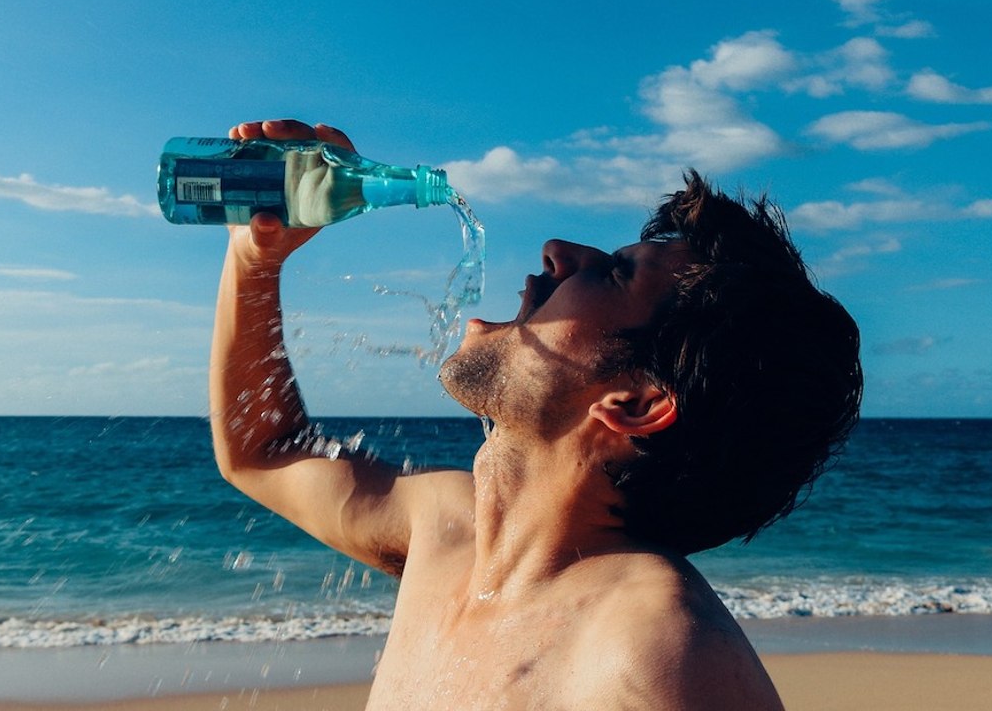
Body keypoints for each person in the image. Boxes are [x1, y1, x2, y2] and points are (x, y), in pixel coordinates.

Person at [210, 119, 862, 710]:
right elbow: (262, 450)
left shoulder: (659, 655)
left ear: (636, 403)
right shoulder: (445, 529)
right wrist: (254, 257)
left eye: (613, 276)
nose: (558, 250)